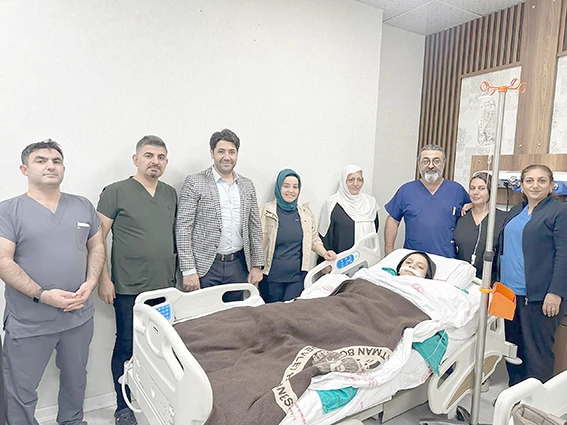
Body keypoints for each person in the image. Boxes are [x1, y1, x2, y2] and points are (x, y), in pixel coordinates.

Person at [0, 140, 105, 425]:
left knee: (76, 379)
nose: (50, 165)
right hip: (30, 321)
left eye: (56, 161)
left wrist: (91, 281)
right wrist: (44, 295)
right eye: (41, 160)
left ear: (63, 168)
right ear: (24, 169)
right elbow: (3, 262)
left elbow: (96, 245)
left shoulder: (82, 206)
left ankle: (72, 421)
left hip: (78, 316)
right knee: (20, 390)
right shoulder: (8, 210)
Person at [96, 135, 177, 425]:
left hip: (164, 288)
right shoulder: (116, 192)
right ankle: (123, 407)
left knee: (163, 348)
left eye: (161, 157)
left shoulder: (170, 194)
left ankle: (156, 400)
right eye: (149, 155)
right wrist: (103, 279)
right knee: (127, 346)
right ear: (136, 159)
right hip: (129, 287)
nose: (155, 161)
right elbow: (97, 239)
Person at [496, 164, 567, 386]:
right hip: (508, 294)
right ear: (522, 185)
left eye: (541, 180)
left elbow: (564, 254)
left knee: (537, 354)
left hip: (539, 296)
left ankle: (535, 401)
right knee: (512, 349)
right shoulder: (516, 211)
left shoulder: (559, 212)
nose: (535, 185)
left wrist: (555, 292)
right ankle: (514, 394)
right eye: (529, 181)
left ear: (551, 185)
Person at [176, 129, 264, 301]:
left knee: (235, 315)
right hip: (206, 267)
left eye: (232, 152)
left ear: (237, 154)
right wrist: (188, 270)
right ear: (212, 153)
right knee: (205, 315)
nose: (227, 157)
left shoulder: (247, 185)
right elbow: (183, 228)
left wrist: (257, 265)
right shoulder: (195, 182)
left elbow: (255, 227)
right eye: (221, 151)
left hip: (238, 265)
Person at [260, 169, 337, 302]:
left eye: (295, 187)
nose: (291, 191)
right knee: (273, 312)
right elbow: (256, 242)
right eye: (286, 186)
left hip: (297, 278)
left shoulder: (305, 213)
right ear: (278, 187)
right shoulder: (266, 211)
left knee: (293, 311)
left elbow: (313, 238)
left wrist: (325, 253)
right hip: (271, 278)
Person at [384, 144, 469, 258]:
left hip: (447, 258)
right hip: (414, 259)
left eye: (436, 161)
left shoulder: (457, 190)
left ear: (444, 163)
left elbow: (476, 210)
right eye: (426, 161)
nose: (431, 166)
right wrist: (389, 253)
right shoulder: (406, 190)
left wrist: (472, 205)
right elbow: (393, 220)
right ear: (419, 163)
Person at [318, 165, 379, 257]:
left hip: (368, 257)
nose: (356, 184)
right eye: (351, 180)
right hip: (342, 259)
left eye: (359, 180)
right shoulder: (332, 203)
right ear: (344, 181)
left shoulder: (370, 202)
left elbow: (376, 226)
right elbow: (326, 236)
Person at [454, 172, 506, 279]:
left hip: (489, 280)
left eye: (482, 188)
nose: (475, 192)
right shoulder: (461, 217)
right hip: (460, 278)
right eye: (472, 188)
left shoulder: (503, 219)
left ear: (492, 191)